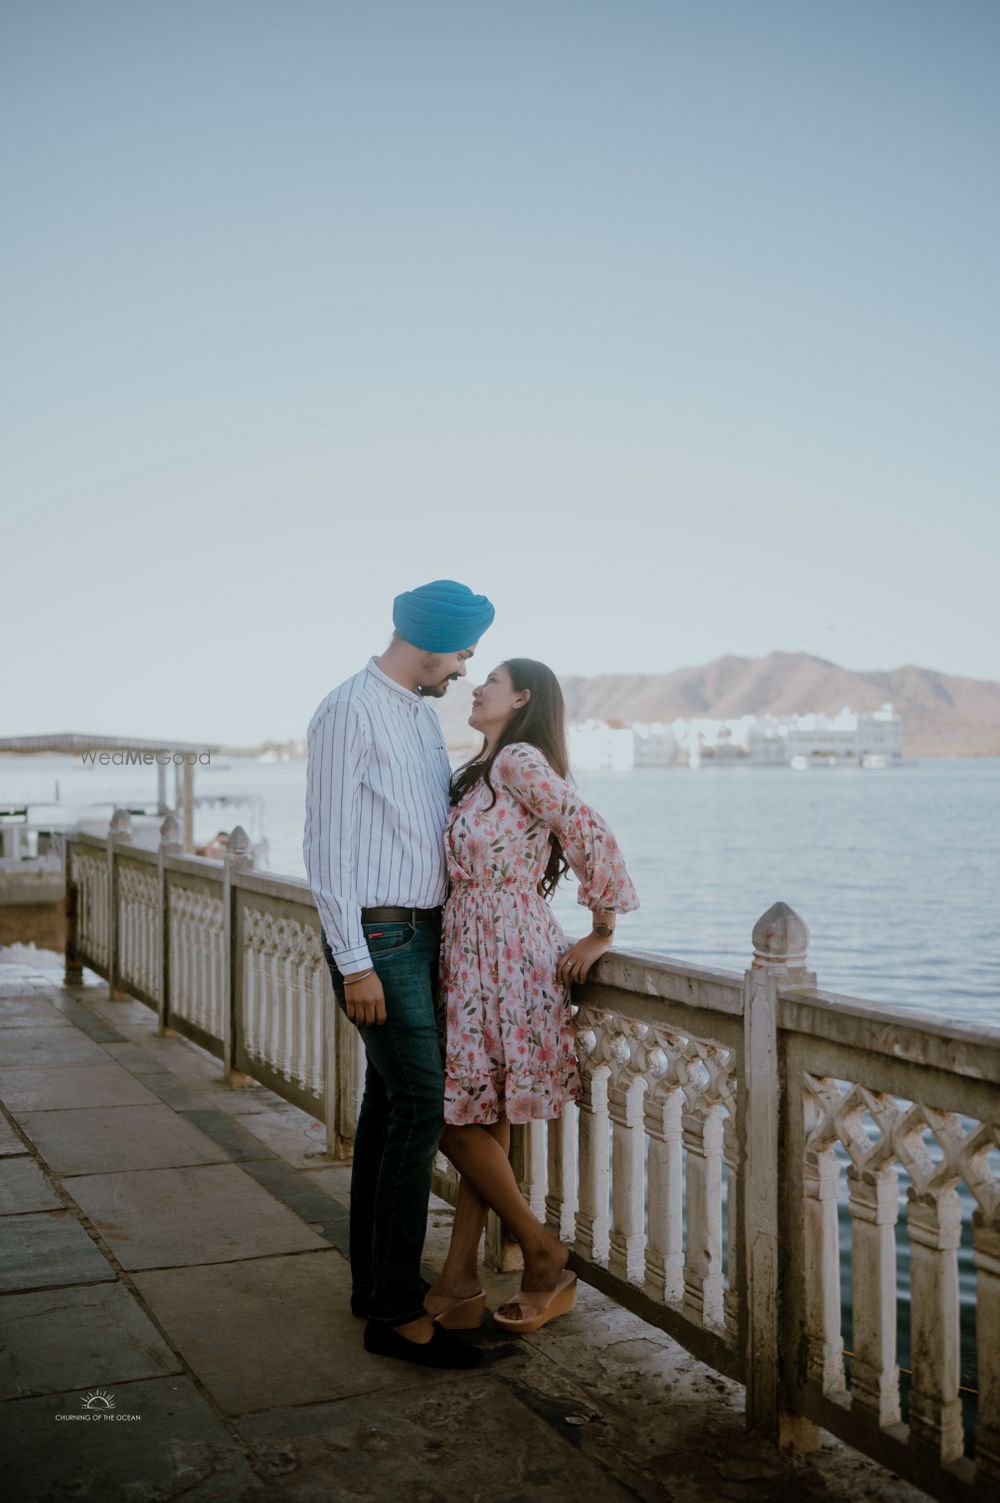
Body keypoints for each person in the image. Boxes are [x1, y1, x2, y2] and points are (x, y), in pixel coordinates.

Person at [303, 579, 495, 1369]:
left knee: (387, 1108)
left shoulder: (419, 714)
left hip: (421, 935)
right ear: (430, 642)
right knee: (421, 1104)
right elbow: (328, 848)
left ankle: (373, 1285)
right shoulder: (350, 708)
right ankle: (395, 1311)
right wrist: (356, 963)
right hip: (379, 937)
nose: (465, 667)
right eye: (462, 651)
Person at [424, 658, 639, 1335]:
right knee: (478, 1115)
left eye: (491, 679)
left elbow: (587, 826)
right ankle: (460, 1276)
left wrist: (602, 927)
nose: (475, 686)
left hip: (510, 954)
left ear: (522, 698)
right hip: (471, 951)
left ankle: (543, 1252)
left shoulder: (519, 758)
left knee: (454, 1118)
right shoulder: (482, 771)